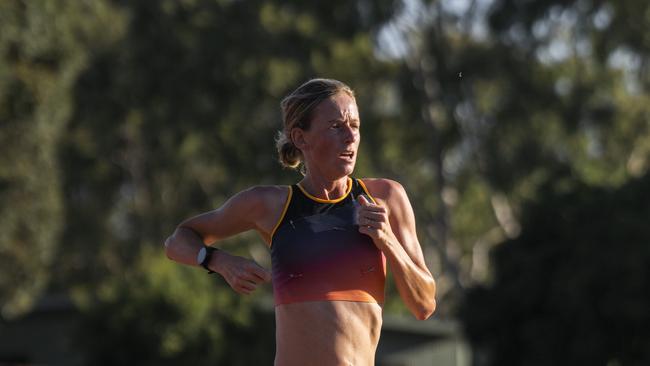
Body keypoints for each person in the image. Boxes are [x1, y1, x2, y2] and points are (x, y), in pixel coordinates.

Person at [164, 78, 436, 366]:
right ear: (301, 138)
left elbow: (424, 305)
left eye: (355, 125)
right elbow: (177, 241)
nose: (350, 136)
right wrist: (216, 260)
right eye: (336, 126)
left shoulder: (386, 198)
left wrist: (388, 241)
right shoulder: (270, 205)